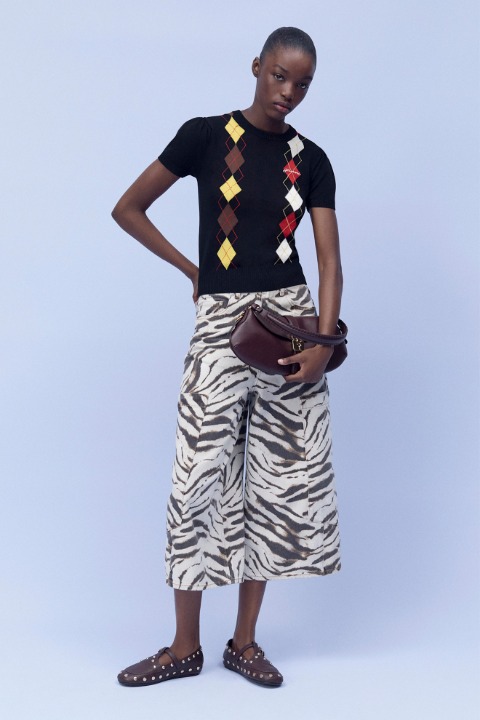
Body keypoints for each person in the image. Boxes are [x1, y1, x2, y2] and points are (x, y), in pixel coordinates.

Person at [112, 26, 343, 689]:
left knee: (274, 482)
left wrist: (323, 346)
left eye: (302, 84)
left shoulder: (311, 159)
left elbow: (330, 263)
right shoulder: (206, 137)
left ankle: (244, 642)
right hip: (221, 323)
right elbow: (129, 208)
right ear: (257, 65)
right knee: (198, 477)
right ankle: (184, 645)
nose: (288, 91)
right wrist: (195, 270)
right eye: (279, 75)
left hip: (290, 326)